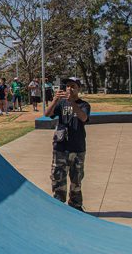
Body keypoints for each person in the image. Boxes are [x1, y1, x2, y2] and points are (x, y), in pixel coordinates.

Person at [45, 77, 91, 212]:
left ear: (78, 89)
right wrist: (55, 100)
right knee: (58, 177)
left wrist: (72, 103)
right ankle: (58, 205)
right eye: (67, 86)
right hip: (61, 147)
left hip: (77, 148)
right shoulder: (61, 104)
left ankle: (75, 205)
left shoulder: (84, 105)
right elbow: (47, 114)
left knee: (76, 178)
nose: (69, 89)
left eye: (73, 86)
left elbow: (83, 118)